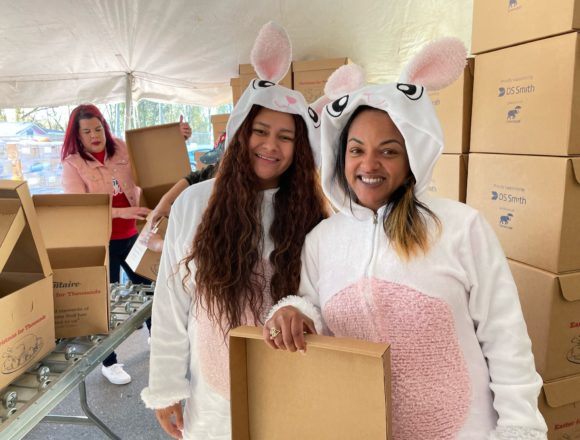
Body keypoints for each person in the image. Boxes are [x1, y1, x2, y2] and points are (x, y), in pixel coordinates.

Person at [264, 40, 548, 440]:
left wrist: (519, 428)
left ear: (413, 156)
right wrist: (295, 312)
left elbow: (506, 338)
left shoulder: (460, 228)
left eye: (389, 151)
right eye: (356, 150)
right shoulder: (322, 240)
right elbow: (315, 312)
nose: (369, 164)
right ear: (340, 157)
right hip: (362, 430)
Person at [140, 22, 329, 439]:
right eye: (260, 131)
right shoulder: (196, 203)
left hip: (290, 386)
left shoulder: (311, 215)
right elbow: (172, 300)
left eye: (285, 137)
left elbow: (320, 298)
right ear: (242, 132)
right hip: (211, 396)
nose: (270, 145)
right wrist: (167, 387)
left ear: (300, 148)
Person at [61, 104, 192, 385]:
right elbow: (79, 209)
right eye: (87, 132)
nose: (95, 136)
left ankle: (157, 338)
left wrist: (175, 138)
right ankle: (109, 362)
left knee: (151, 290)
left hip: (132, 236)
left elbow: (150, 158)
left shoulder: (119, 147)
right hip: (100, 244)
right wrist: (123, 212)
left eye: (98, 129)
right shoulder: (72, 165)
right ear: (77, 135)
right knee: (104, 304)